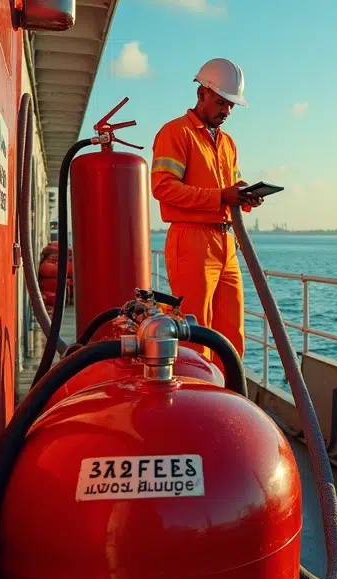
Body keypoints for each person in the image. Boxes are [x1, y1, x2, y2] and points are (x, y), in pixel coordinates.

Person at [150, 57, 261, 365]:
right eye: (221, 103)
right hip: (192, 241)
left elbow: (228, 186)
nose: (226, 111)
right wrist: (221, 196)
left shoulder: (227, 143)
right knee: (196, 336)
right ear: (202, 95)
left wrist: (244, 196)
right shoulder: (176, 134)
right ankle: (199, 403)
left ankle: (229, 402)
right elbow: (163, 188)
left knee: (231, 336)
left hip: (226, 243)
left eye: (231, 106)